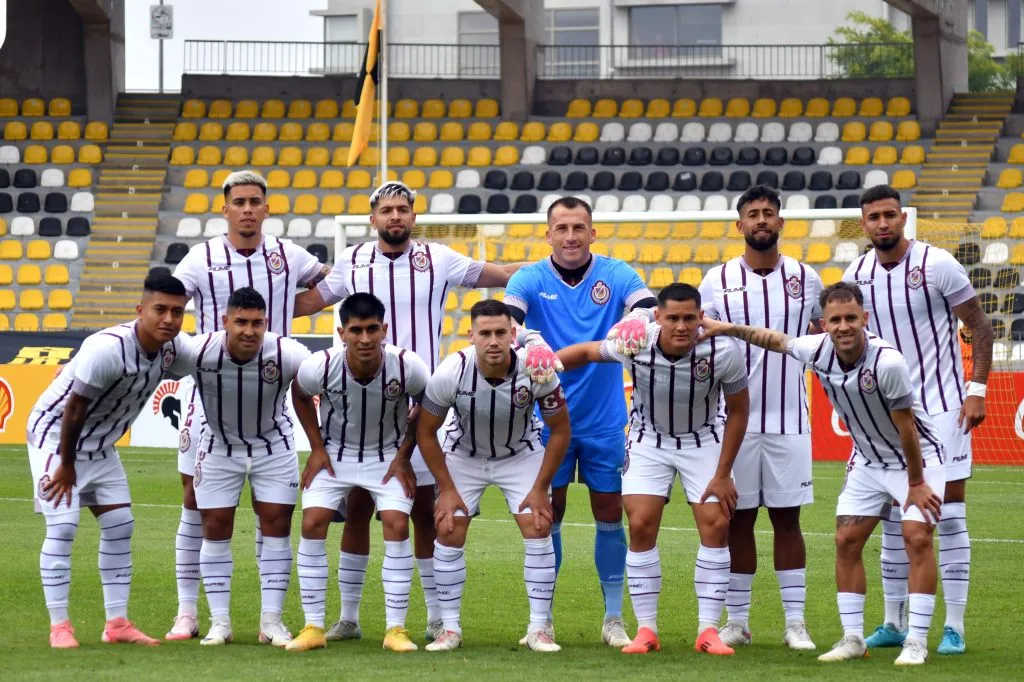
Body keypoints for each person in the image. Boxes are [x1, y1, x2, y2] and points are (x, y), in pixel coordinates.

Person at [293, 180, 557, 642]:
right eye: (386, 210)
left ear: (414, 217)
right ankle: (349, 619)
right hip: (365, 410)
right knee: (356, 511)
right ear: (372, 218)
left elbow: (497, 275)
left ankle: (437, 617)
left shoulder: (439, 258)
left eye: (403, 209)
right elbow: (312, 302)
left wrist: (553, 267)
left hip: (423, 402)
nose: (395, 216)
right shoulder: (352, 261)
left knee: (422, 514)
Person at [699, 282, 945, 666]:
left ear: (865, 319)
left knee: (916, 537)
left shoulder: (888, 363)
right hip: (867, 460)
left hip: (918, 459)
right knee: (846, 540)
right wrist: (727, 328)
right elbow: (773, 339)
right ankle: (852, 638)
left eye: (851, 318)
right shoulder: (816, 350)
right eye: (835, 320)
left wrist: (915, 484)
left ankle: (915, 640)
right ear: (823, 325)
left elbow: (907, 427)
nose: (844, 326)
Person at [167, 169, 330, 640]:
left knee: (273, 512)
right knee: (195, 508)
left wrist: (302, 307)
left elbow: (331, 282)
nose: (247, 209)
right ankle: (188, 612)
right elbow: (174, 303)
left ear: (266, 206)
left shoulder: (287, 254)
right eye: (238, 201)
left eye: (255, 201)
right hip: (207, 397)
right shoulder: (202, 257)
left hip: (272, 385)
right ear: (225, 208)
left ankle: (269, 619)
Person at [557, 283, 749, 656]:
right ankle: (647, 630)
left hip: (703, 440)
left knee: (717, 524)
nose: (681, 326)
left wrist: (723, 473)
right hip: (649, 442)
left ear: (700, 318)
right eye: (673, 317)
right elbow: (584, 352)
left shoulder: (723, 350)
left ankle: (708, 630)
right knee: (641, 524)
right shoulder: (635, 341)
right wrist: (542, 365)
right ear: (657, 317)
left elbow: (739, 409)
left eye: (689, 318)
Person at [842, 184, 993, 655]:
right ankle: (892, 622)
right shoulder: (857, 273)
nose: (882, 224)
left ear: (903, 218)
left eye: (890, 215)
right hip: (884, 414)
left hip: (946, 410)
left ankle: (954, 626)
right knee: (890, 518)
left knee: (945, 518)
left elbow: (981, 327)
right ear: (863, 224)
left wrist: (977, 391)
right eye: (873, 217)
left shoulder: (938, 264)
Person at [502, 195, 657, 646]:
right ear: (548, 234)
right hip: (546, 420)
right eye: (561, 228)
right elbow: (511, 315)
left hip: (605, 419)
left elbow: (648, 303)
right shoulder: (529, 277)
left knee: (609, 513)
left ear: (593, 232)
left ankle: (613, 618)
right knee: (548, 515)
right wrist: (527, 337)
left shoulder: (617, 272)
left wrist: (638, 318)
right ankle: (542, 619)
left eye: (579, 227)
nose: (570, 236)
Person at [28, 274, 189, 648]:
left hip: (101, 446)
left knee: (119, 526)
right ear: (140, 311)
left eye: (177, 312)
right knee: (63, 527)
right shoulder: (108, 348)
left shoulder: (171, 349)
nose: (168, 319)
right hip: (57, 437)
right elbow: (73, 410)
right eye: (160, 310)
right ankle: (60, 627)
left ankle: (116, 624)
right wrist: (66, 467)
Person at [696, 185, 821, 650]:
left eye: (769, 213)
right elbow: (701, 339)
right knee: (738, 521)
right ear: (740, 225)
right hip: (735, 424)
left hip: (791, 419)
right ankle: (739, 621)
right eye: (753, 214)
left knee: (788, 521)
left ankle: (795, 623)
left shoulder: (807, 279)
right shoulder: (716, 279)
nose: (762, 220)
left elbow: (819, 334)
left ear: (781, 222)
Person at [414, 300, 571, 653]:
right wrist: (447, 489)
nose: (493, 341)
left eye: (501, 332)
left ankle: (539, 628)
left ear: (514, 335)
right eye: (484, 333)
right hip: (464, 455)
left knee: (538, 524)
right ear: (471, 336)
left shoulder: (538, 370)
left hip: (521, 454)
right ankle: (449, 629)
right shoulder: (451, 371)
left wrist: (540, 487)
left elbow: (560, 430)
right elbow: (426, 431)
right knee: (448, 526)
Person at [166, 287, 311, 647]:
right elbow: (153, 361)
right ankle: (220, 623)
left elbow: (320, 381)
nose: (249, 331)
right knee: (214, 526)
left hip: (273, 447)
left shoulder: (288, 353)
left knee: (277, 526)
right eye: (241, 322)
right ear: (225, 321)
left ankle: (272, 622)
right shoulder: (197, 351)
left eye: (257, 323)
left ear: (267, 323)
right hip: (218, 447)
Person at [286, 293, 430, 653]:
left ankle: (395, 629)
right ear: (341, 332)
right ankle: (315, 625)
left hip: (387, 458)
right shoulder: (319, 366)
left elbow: (428, 404)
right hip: (334, 456)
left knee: (396, 524)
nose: (364, 339)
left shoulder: (407, 365)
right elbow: (299, 394)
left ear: (384, 329)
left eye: (371, 330)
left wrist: (404, 456)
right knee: (312, 522)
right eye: (355, 331)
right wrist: (317, 448)